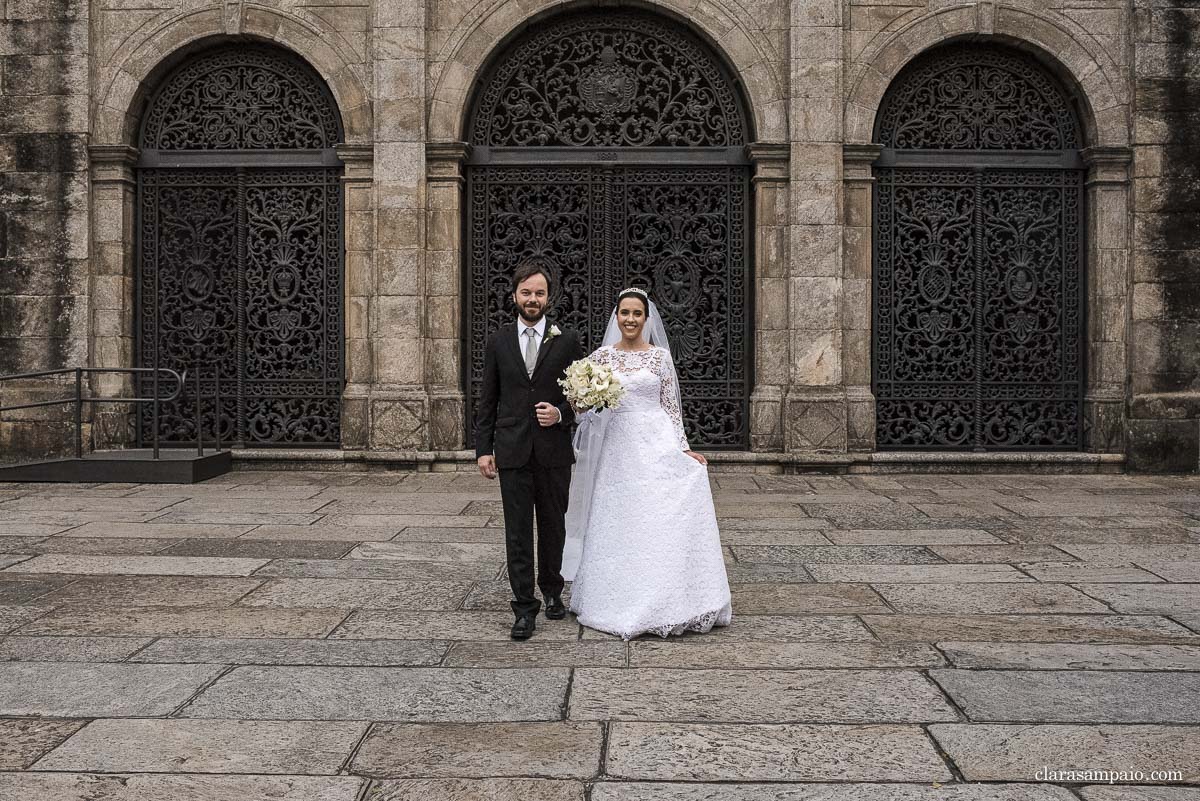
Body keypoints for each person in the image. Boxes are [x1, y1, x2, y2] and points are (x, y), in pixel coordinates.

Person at [563, 287, 732, 640]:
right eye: (624, 313)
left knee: (656, 515)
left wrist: (683, 448)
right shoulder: (603, 357)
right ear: (617, 316)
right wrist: (582, 396)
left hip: (655, 440)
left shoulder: (659, 358)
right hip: (618, 446)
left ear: (646, 318)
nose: (630, 319)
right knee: (622, 515)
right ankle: (616, 595)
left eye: (636, 314)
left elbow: (671, 406)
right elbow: (579, 404)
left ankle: (669, 595)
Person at [475, 261, 584, 640]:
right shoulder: (498, 341)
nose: (532, 299)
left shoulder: (567, 340)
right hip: (512, 450)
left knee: (554, 526)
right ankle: (524, 608)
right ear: (515, 296)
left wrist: (561, 413)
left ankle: (553, 592)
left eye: (539, 293)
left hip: (553, 450)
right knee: (518, 532)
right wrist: (483, 449)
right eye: (526, 292)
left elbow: (582, 395)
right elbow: (488, 398)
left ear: (548, 297)